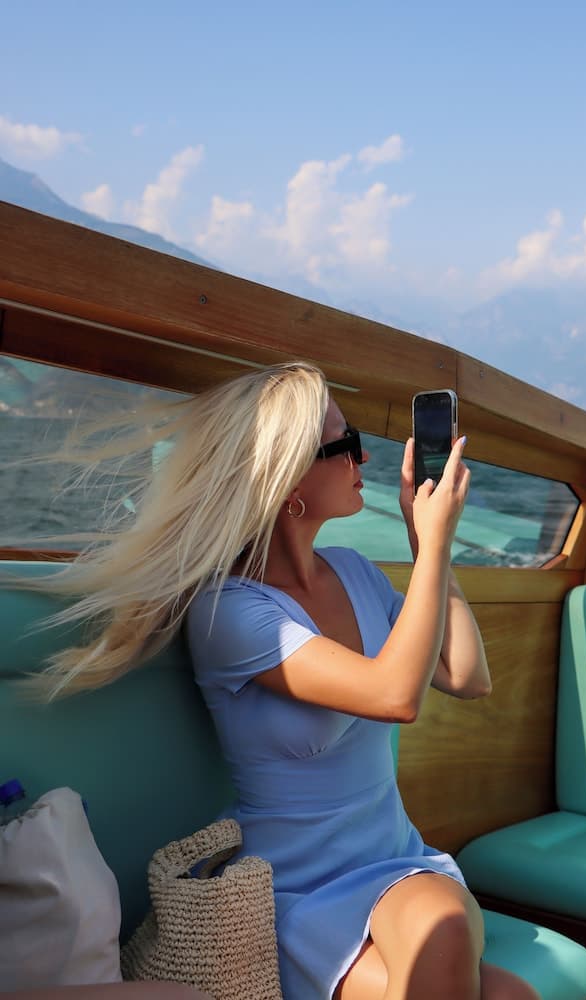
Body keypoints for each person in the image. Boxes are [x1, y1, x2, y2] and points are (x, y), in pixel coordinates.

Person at [31, 362, 539, 1000]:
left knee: (470, 952)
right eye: (345, 443)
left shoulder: (356, 571)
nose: (363, 458)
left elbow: (466, 676)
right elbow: (394, 696)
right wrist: (437, 545)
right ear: (289, 479)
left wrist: (424, 544)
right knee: (490, 974)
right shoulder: (229, 612)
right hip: (294, 889)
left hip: (397, 863)